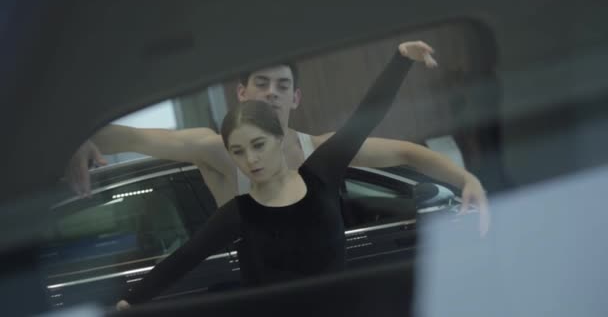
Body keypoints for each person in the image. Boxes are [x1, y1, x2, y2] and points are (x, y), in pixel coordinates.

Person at [115, 41, 435, 311]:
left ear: (278, 141)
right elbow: (186, 257)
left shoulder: (319, 172)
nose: (251, 159)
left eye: (258, 146)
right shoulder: (240, 211)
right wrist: (130, 301)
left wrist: (401, 60)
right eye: (238, 152)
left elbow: (365, 119)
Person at [67, 42, 489, 234]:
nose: (272, 91)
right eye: (262, 83)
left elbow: (406, 152)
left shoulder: (319, 148)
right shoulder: (214, 148)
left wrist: (467, 180)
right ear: (243, 93)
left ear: (295, 97)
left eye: (282, 85)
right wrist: (85, 138)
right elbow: (135, 137)